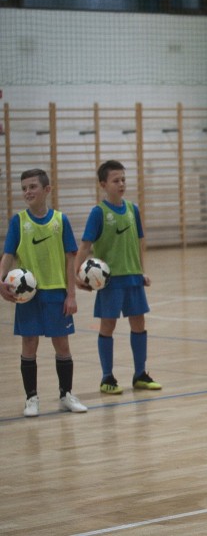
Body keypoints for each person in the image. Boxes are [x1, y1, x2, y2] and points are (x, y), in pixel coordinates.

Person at [0, 169, 87, 417]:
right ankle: (31, 398)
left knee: (62, 344)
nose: (27, 192)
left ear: (47, 190)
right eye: (24, 188)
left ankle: (66, 395)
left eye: (32, 187)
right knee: (29, 344)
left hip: (56, 293)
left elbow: (71, 260)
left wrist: (71, 295)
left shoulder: (61, 220)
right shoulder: (19, 221)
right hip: (28, 296)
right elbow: (8, 255)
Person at [75, 160, 160, 394]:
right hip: (110, 282)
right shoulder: (98, 213)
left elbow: (140, 242)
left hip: (133, 277)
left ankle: (140, 374)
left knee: (139, 324)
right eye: (116, 180)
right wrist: (77, 274)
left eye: (123, 179)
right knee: (108, 326)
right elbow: (84, 246)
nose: (121, 184)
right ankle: (107, 377)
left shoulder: (133, 209)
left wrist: (142, 271)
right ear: (103, 184)